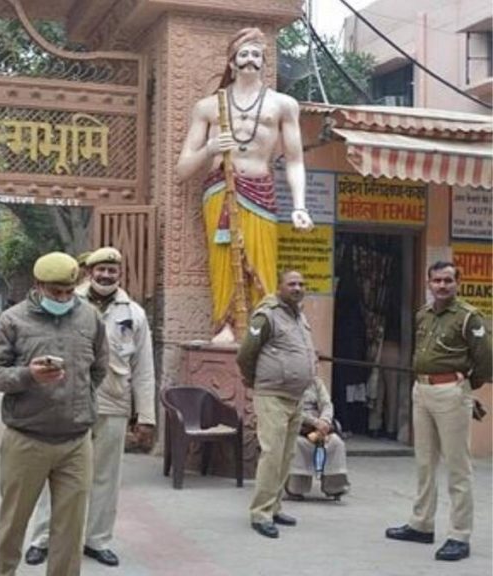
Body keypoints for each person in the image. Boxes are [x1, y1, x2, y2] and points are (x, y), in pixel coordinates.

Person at [176, 27, 313, 343]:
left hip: (260, 189)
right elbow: (183, 169)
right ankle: (224, 324)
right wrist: (210, 148)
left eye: (256, 54)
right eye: (244, 54)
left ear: (264, 61)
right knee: (224, 260)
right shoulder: (208, 107)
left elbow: (295, 160)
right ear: (232, 62)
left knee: (261, 257)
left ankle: (260, 323)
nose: (250, 59)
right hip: (220, 189)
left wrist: (300, 206)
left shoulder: (283, 105)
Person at [24, 246, 155, 568]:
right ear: (89, 272)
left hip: (113, 402)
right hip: (69, 402)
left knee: (106, 477)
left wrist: (146, 416)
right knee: (55, 472)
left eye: (112, 270)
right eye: (101, 270)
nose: (106, 275)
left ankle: (97, 540)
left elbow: (144, 369)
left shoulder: (134, 313)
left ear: (120, 274)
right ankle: (43, 538)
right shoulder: (69, 304)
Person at [0, 252, 108, 576]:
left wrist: (77, 400)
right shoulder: (13, 320)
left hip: (76, 441)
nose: (63, 299)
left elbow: (98, 369)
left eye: (69, 291)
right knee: (13, 522)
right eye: (56, 292)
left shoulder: (90, 318)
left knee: (70, 529)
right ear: (38, 285)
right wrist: (29, 376)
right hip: (26, 439)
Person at [385, 261, 491, 562]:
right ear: (429, 283)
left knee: (458, 467)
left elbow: (486, 358)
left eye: (448, 280)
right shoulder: (423, 314)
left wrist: (466, 386)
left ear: (458, 282)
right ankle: (421, 523)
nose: (442, 286)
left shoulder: (468, 317)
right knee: (424, 462)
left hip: (450, 392)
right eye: (436, 281)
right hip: (422, 390)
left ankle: (459, 535)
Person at [236, 269, 316, 539]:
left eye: (301, 284)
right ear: (279, 287)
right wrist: (254, 380)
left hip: (295, 397)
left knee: (286, 455)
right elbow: (246, 354)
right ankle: (261, 513)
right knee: (272, 454)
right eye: (292, 284)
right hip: (272, 396)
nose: (298, 288)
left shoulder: (299, 316)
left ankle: (275, 505)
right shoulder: (267, 315)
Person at [285, 376, 349, 500]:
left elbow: (327, 404)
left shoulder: (316, 382)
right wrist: (314, 422)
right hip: (298, 426)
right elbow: (291, 409)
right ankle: (296, 488)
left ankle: (334, 487)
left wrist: (325, 420)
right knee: (298, 444)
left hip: (320, 427)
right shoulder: (288, 382)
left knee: (336, 443)